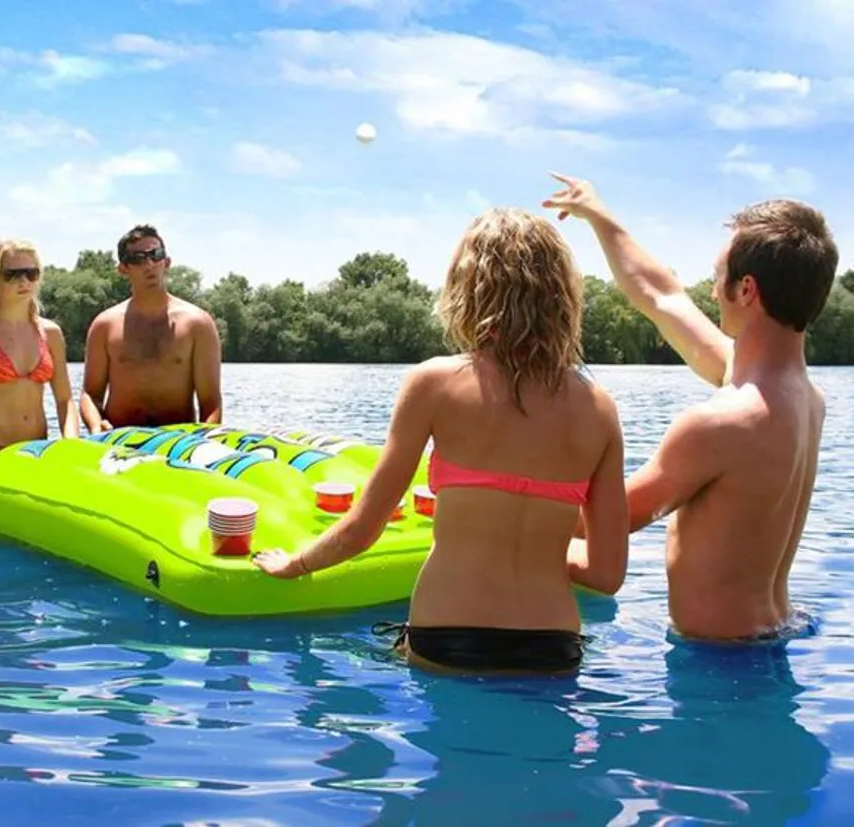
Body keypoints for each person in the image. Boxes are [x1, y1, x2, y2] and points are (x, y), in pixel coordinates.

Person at [253, 207, 629, 675]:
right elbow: (606, 575)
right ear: (561, 296)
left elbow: (362, 530)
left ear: (469, 287)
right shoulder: (599, 408)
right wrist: (541, 551)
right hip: (552, 647)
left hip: (449, 637)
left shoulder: (435, 383)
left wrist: (296, 563)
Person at [542, 172, 838, 642]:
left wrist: (483, 509)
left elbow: (604, 525)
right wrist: (598, 215)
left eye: (717, 276)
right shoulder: (801, 397)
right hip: (775, 634)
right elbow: (662, 296)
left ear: (746, 290)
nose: (708, 287)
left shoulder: (721, 424)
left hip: (719, 667)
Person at [79, 224, 222, 431]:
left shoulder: (198, 324)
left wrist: (203, 440)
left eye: (156, 255)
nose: (149, 264)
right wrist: (95, 425)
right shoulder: (104, 326)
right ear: (123, 268)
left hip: (178, 442)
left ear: (167, 262)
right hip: (119, 438)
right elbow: (91, 394)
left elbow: (210, 401)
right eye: (138, 258)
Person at [0, 239, 79, 451]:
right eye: (12, 274)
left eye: (31, 273)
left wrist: (72, 445)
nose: (24, 281)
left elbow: (65, 400)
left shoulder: (50, 333)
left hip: (37, 451)